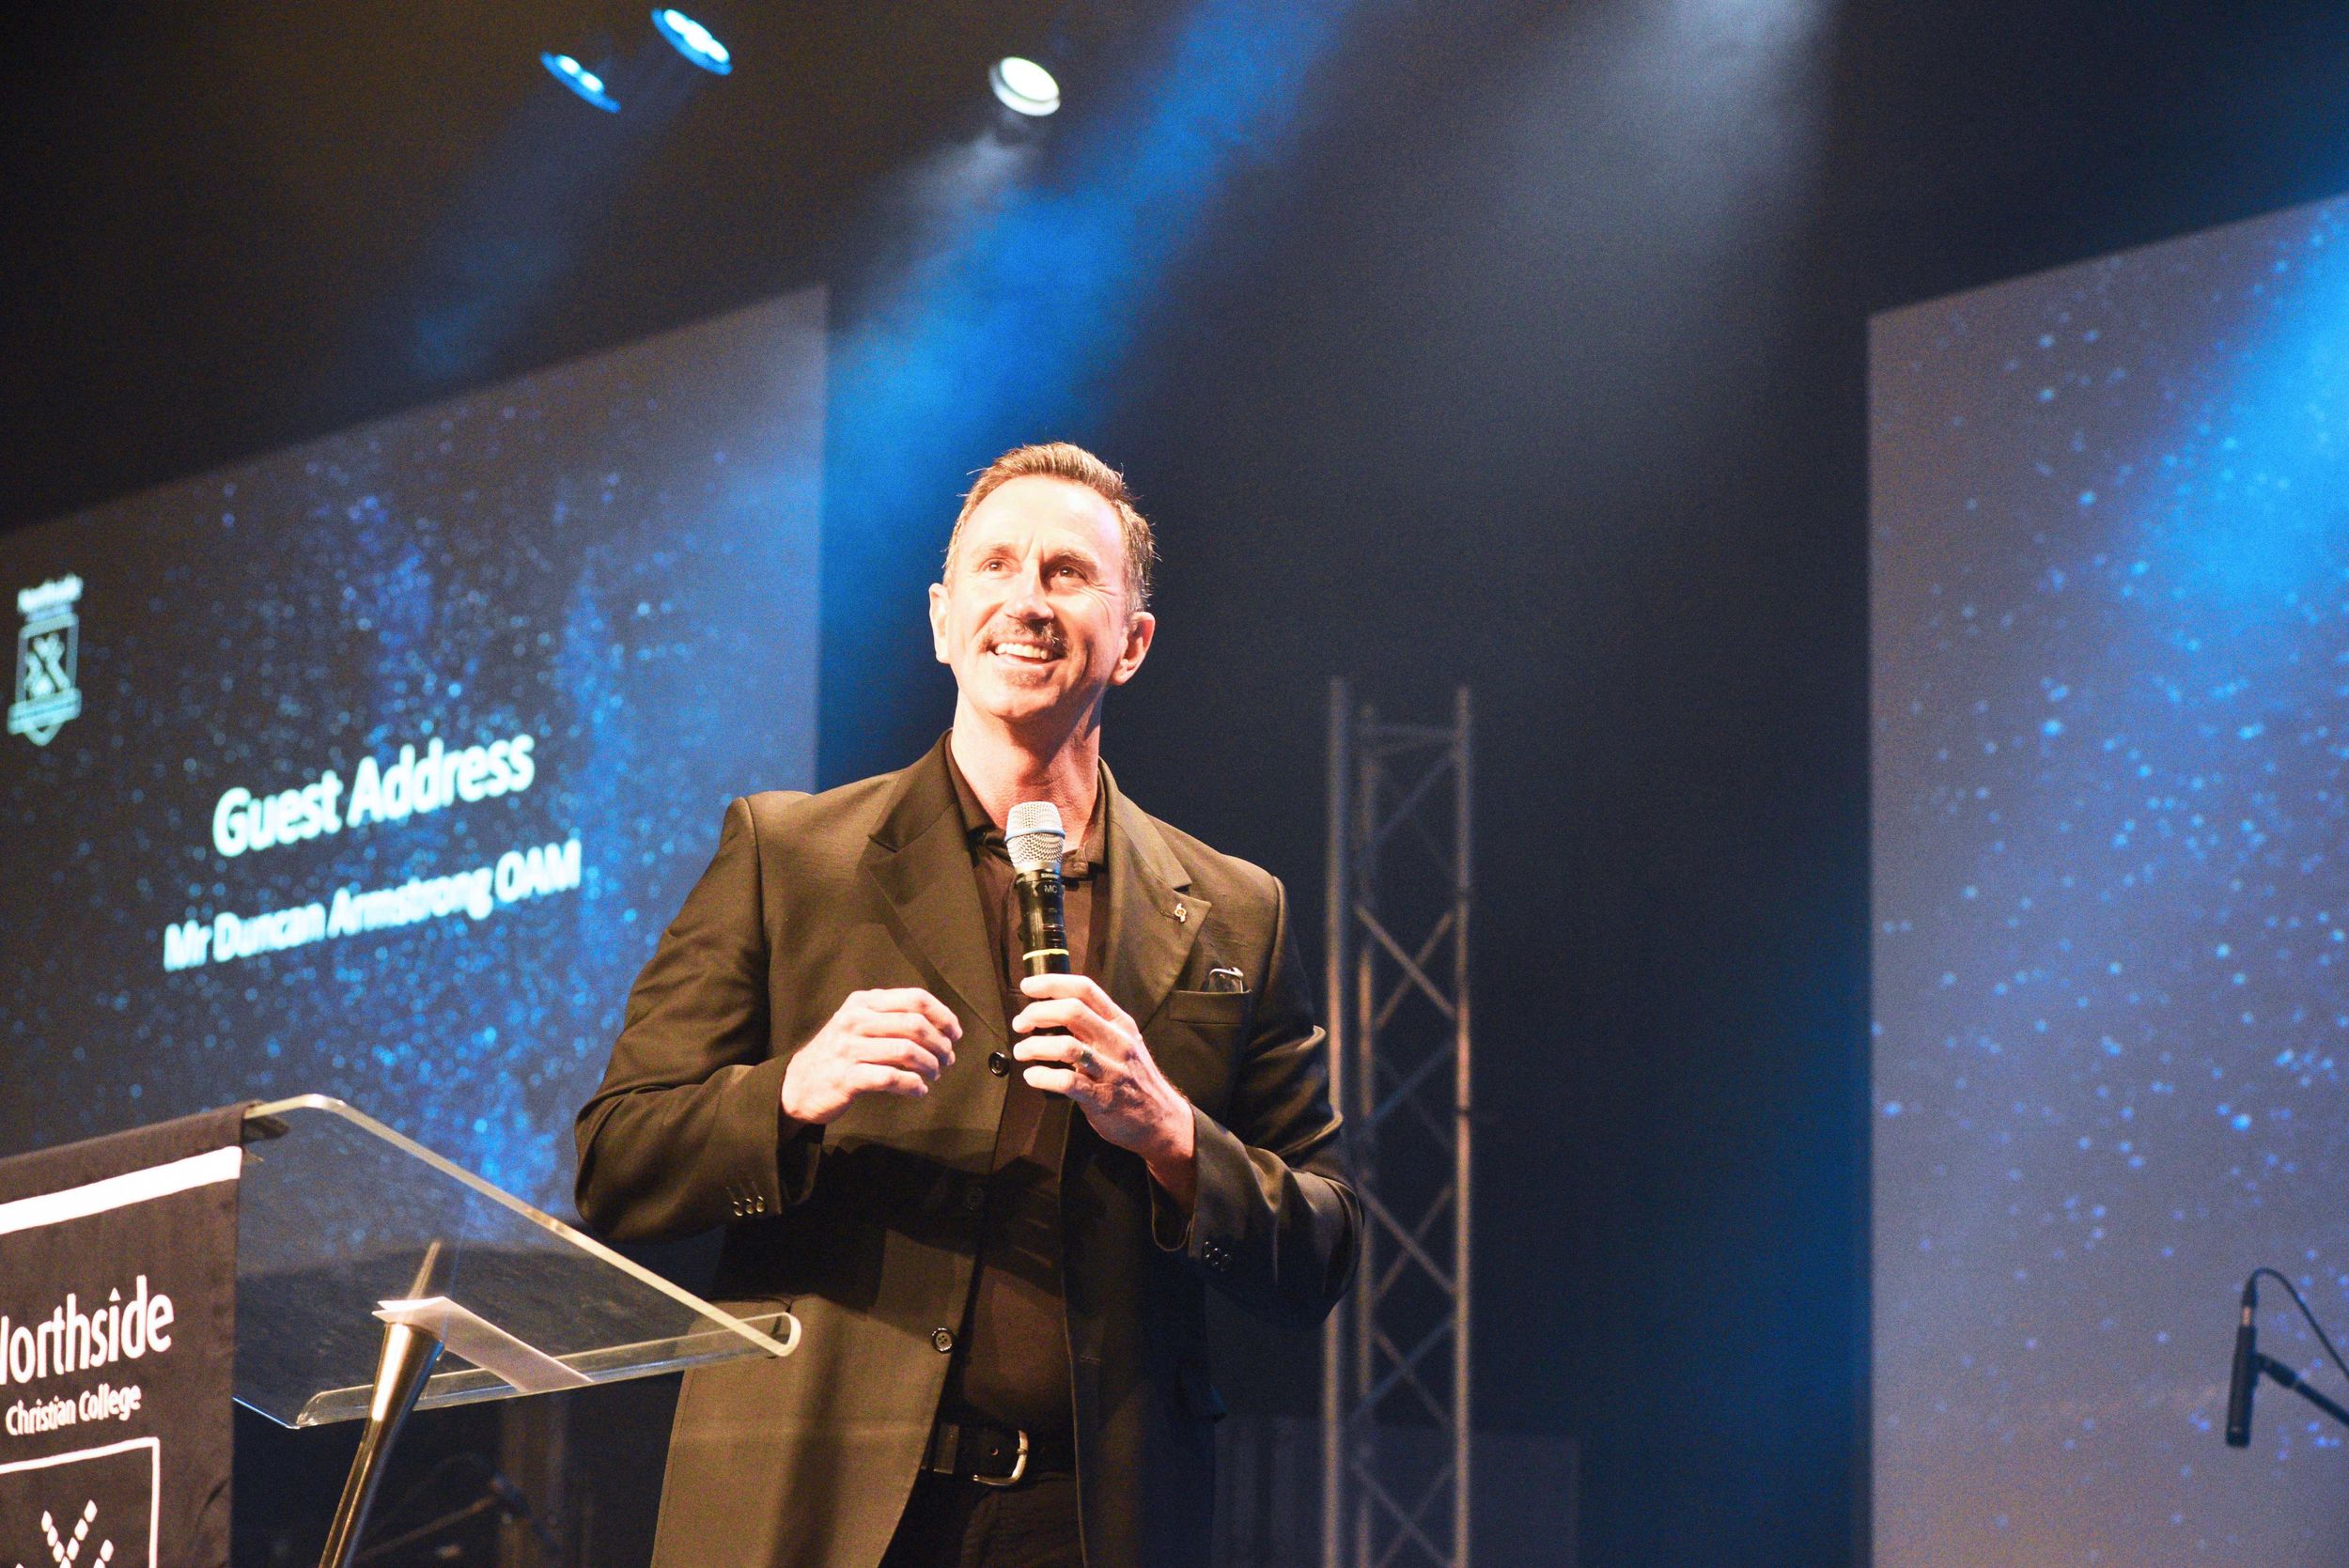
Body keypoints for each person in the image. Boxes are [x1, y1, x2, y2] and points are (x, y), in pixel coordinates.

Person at [574, 442, 1358, 1568]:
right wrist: (789, 1092)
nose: (1026, 600)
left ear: (1132, 643)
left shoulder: (1236, 909)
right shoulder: (788, 856)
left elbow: (1321, 1246)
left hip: (1089, 1523)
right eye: (995, 566)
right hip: (816, 1503)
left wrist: (1172, 1134)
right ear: (943, 620)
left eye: (1067, 572)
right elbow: (616, 1161)